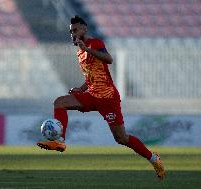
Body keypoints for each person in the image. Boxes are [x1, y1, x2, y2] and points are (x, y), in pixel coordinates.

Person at [37, 15, 165, 179]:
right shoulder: (80, 53)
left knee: (121, 138)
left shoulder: (95, 44)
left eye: (75, 30)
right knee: (59, 102)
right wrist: (81, 88)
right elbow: (91, 76)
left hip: (107, 98)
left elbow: (109, 59)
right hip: (91, 95)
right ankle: (59, 141)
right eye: (70, 32)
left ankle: (154, 159)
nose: (73, 34)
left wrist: (88, 49)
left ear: (84, 29)